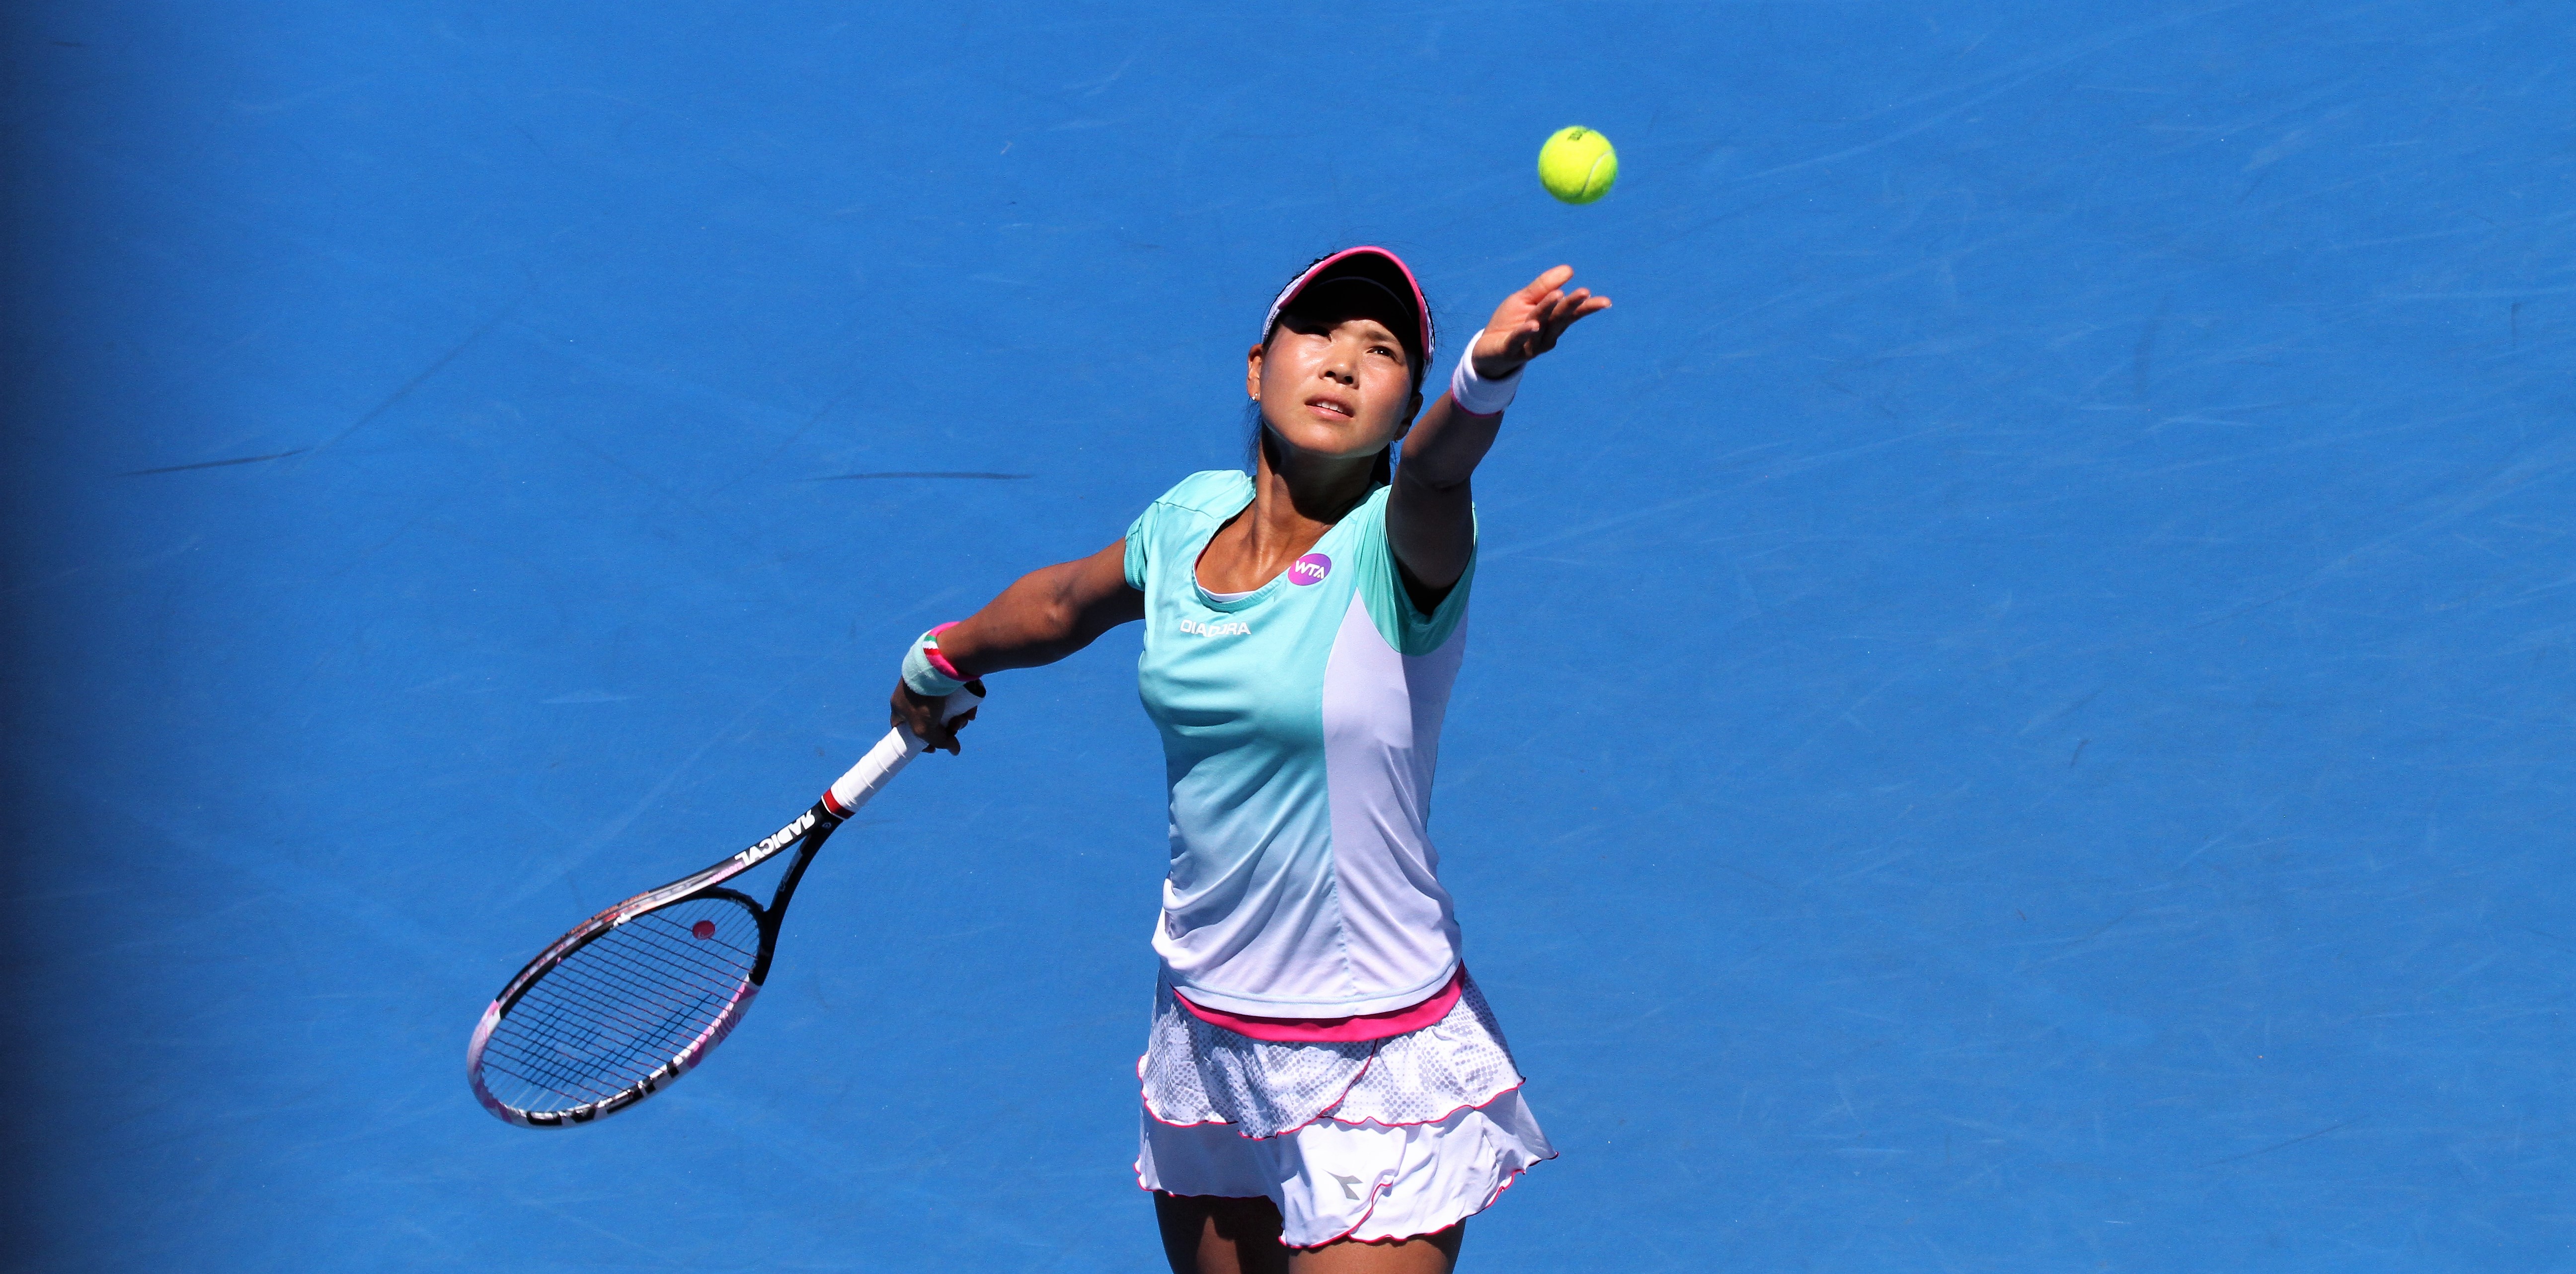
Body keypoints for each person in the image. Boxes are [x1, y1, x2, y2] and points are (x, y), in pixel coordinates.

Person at [888, 247, 1610, 1273]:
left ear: (1405, 407)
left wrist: (1487, 373)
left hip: (1377, 1056)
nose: (1345, 363)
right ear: (1255, 365)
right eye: (1317, 332)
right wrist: (941, 658)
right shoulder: (1186, 520)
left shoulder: (1403, 544)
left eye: (1384, 350)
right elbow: (1063, 604)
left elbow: (1444, 465)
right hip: (1209, 1034)